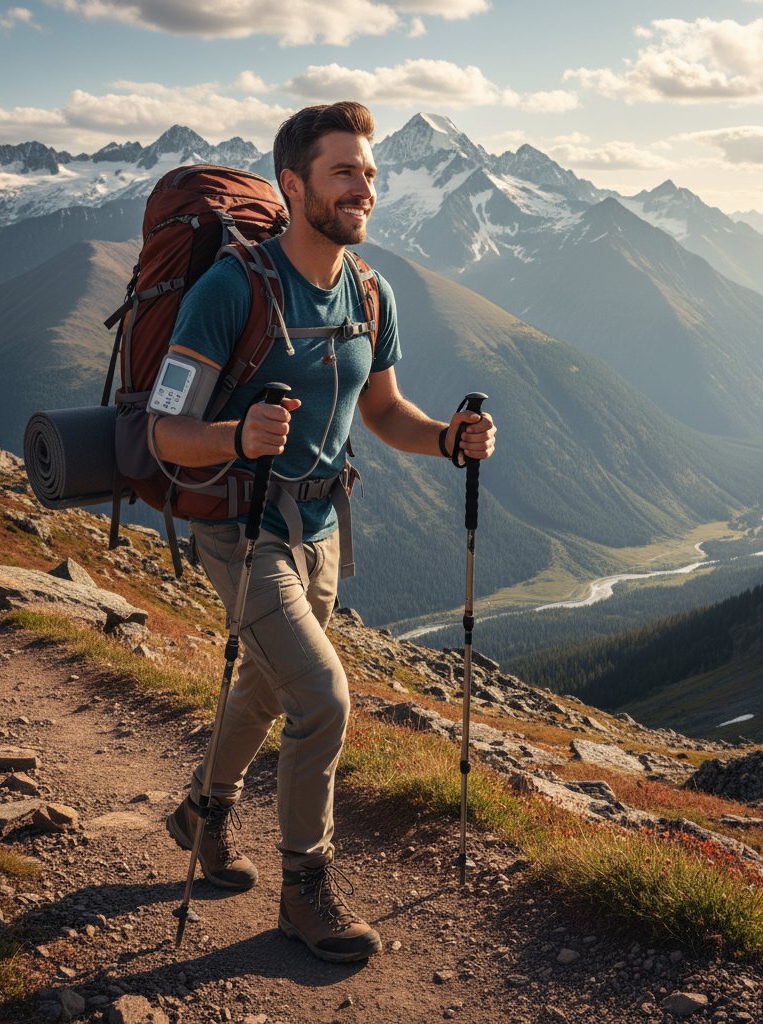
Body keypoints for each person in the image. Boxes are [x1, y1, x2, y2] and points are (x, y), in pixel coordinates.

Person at [150, 101, 497, 964]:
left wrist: (447, 439)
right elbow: (164, 433)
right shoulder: (231, 289)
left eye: (369, 173)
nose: (363, 188)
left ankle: (202, 812)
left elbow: (381, 410)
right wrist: (237, 437)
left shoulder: (369, 290)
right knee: (322, 696)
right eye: (344, 171)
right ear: (293, 184)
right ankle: (305, 889)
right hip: (240, 526)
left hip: (321, 525)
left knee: (270, 685)